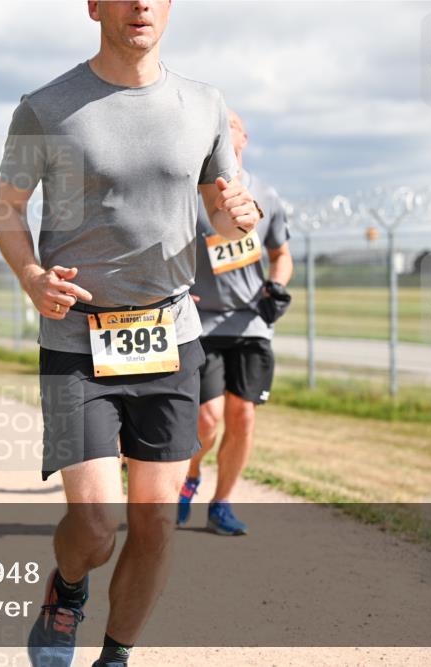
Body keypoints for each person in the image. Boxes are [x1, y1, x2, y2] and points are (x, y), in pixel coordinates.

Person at [0, 2, 261, 665]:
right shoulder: (47, 106)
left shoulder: (204, 103)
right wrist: (31, 274)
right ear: (93, 5)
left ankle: (116, 654)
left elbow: (226, 220)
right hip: (76, 342)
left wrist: (237, 217)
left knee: (156, 519)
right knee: (93, 523)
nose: (141, 5)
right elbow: (7, 207)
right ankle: (68, 588)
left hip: (171, 336)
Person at [177, 109, 293, 535]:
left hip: (251, 324)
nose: (226, 131)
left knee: (242, 415)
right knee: (206, 419)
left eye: (233, 125)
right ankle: (189, 478)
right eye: (216, 126)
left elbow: (281, 256)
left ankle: (222, 504)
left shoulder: (266, 194)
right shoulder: (189, 194)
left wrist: (276, 287)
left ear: (244, 137)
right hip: (200, 324)